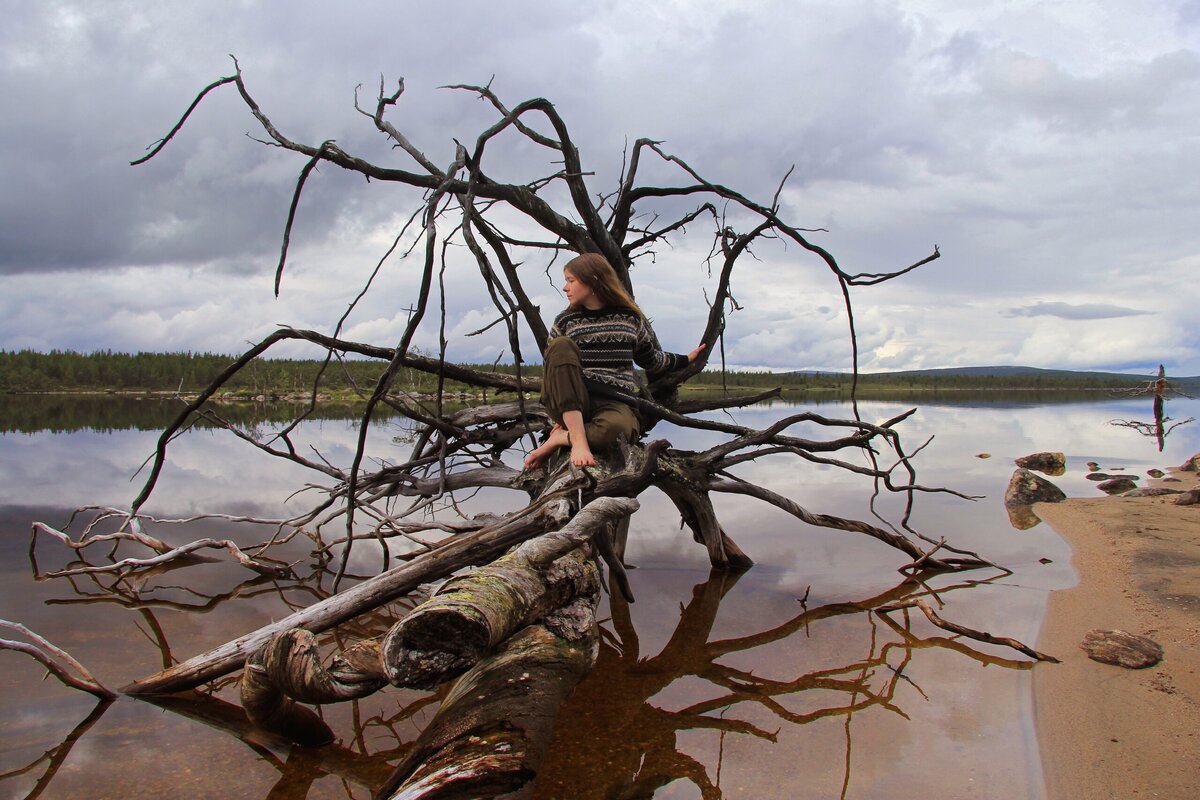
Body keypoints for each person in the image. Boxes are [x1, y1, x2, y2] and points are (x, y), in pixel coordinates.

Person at [523, 252, 706, 469]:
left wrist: (685, 359)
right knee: (560, 346)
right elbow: (555, 368)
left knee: (616, 434)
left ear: (593, 281)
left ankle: (562, 437)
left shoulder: (629, 319)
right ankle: (579, 440)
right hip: (572, 399)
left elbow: (653, 360)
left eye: (570, 280)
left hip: (614, 402)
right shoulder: (565, 321)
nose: (565, 288)